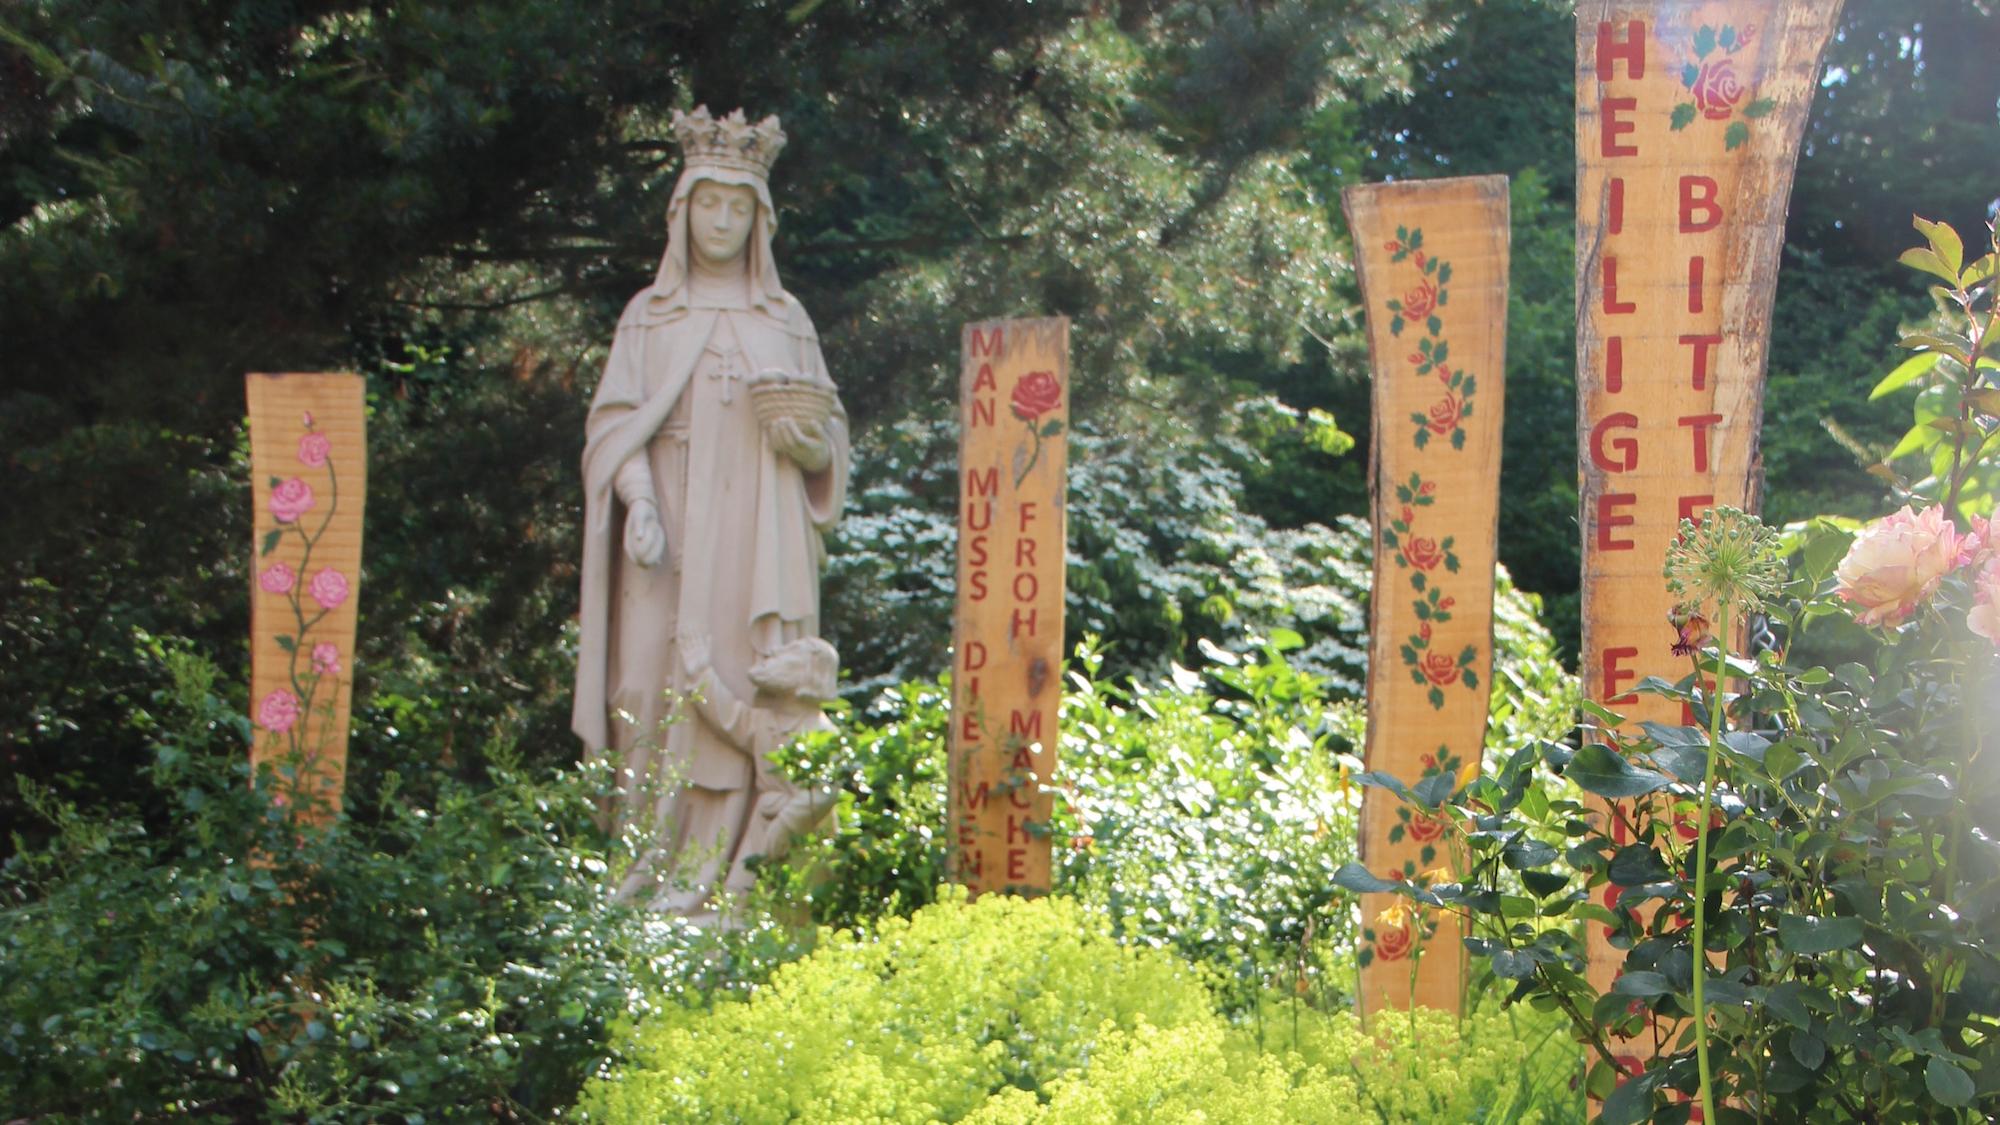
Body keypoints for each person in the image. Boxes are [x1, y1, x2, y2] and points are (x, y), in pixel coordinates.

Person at [571, 106, 847, 914]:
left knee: (740, 680)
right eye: (707, 203)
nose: (721, 221)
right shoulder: (647, 317)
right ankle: (650, 864)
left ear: (760, 221)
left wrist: (808, 449)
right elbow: (612, 431)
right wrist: (640, 501)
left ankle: (738, 881)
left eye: (737, 206)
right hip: (667, 538)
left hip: (758, 535)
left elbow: (828, 438)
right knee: (647, 681)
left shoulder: (785, 321)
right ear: (680, 210)